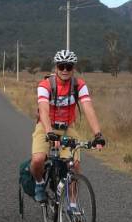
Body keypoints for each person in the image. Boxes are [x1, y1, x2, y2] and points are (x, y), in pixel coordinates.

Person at [30, 50, 106, 203]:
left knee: (75, 165)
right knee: (38, 160)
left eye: (69, 66)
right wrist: (49, 132)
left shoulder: (79, 85)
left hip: (67, 128)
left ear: (73, 68)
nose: (65, 70)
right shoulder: (45, 85)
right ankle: (39, 183)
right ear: (56, 67)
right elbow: (43, 110)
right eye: (61, 66)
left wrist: (98, 135)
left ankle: (73, 203)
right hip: (46, 126)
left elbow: (88, 108)